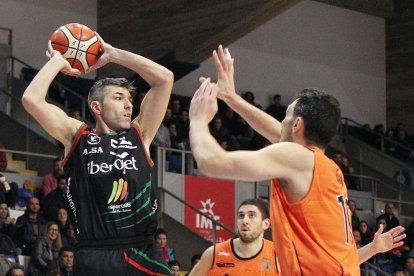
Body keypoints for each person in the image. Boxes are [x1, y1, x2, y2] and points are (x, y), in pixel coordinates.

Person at [188, 45, 406, 275]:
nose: (281, 122)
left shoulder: (298, 159)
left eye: (286, 116)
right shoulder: (328, 169)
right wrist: (232, 99)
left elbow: (211, 161)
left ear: (297, 124)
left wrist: (198, 119)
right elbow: (280, 134)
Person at [22, 33, 173, 276]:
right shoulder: (77, 136)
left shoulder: (140, 134)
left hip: (142, 250)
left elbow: (165, 79)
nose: (128, 105)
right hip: (93, 255)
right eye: (118, 97)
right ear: (96, 107)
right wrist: (58, 62)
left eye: (129, 99)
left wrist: (114, 55)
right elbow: (31, 99)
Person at [189, 198, 277, 276]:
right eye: (241, 216)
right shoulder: (214, 254)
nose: (245, 221)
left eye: (252, 215)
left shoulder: (277, 256)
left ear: (266, 224)